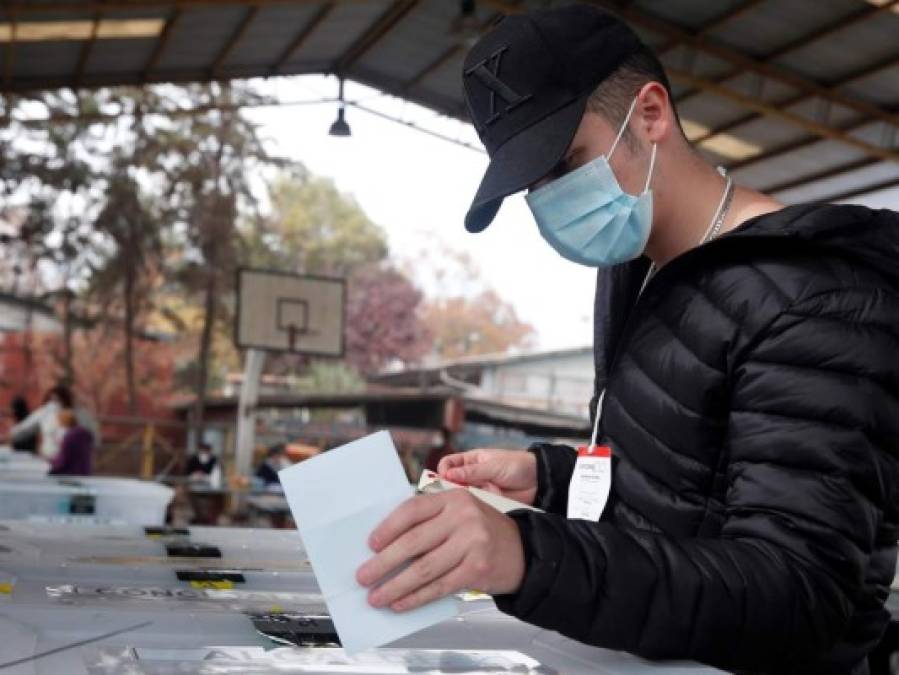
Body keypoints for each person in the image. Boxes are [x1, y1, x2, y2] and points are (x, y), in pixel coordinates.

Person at [355, 6, 899, 675]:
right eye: (534, 183)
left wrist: (528, 553)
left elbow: (798, 591)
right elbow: (681, 488)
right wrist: (550, 479)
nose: (551, 199)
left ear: (650, 115)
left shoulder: (814, 299)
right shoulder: (638, 266)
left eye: (567, 162)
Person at [9, 384, 99, 459]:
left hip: (74, 462)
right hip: (51, 459)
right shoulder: (47, 411)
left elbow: (94, 438)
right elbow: (23, 429)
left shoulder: (81, 415)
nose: (56, 404)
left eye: (58, 400)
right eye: (54, 400)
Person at [48, 408, 93, 476]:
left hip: (70, 472)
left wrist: (53, 462)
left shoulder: (70, 436)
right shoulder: (83, 433)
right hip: (84, 470)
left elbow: (65, 457)